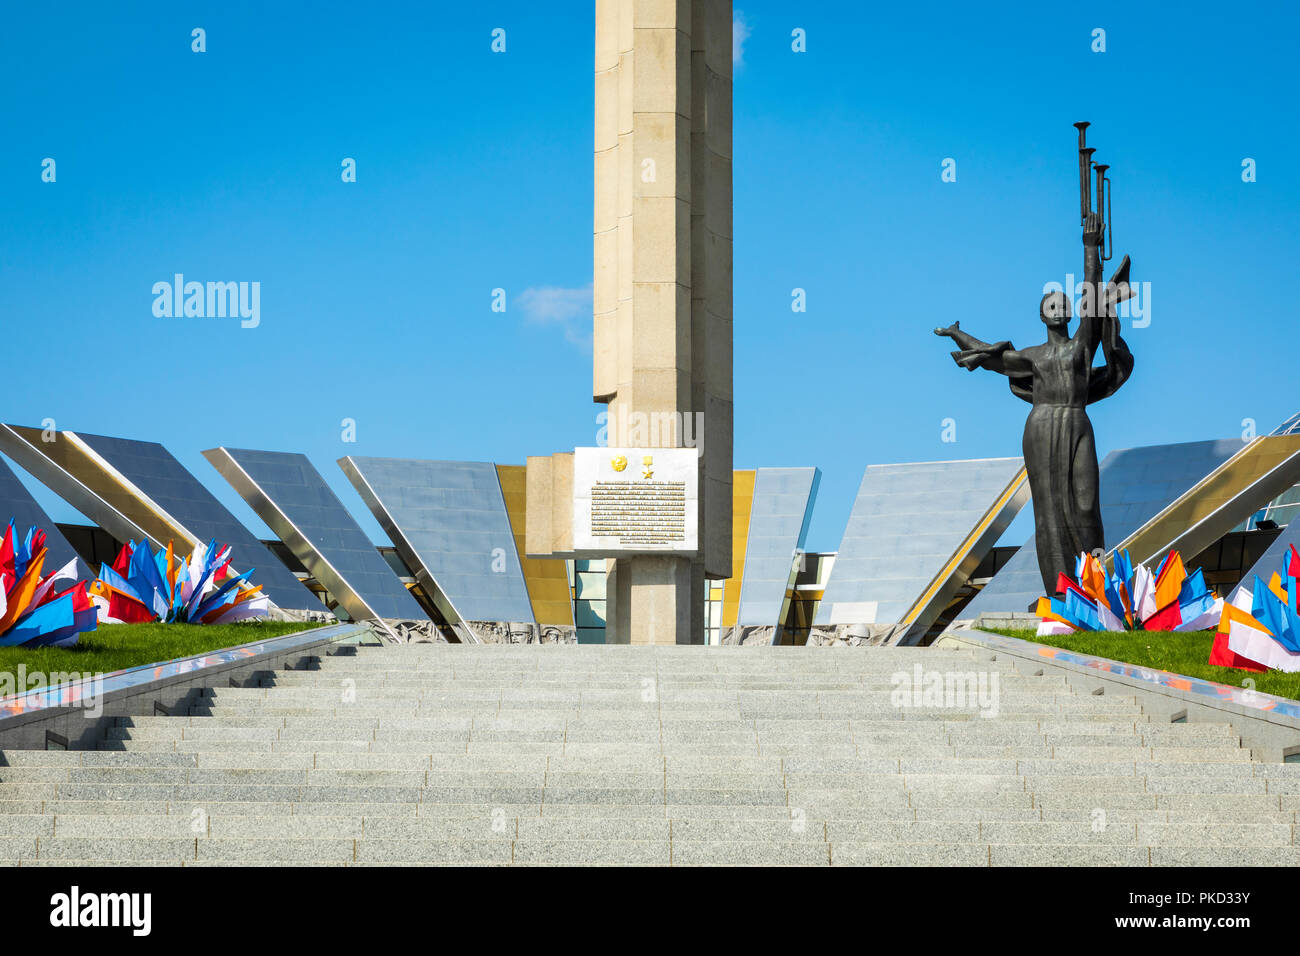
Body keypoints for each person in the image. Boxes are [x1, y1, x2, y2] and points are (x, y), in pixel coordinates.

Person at [934, 211, 1133, 595]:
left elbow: (1093, 299)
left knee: (1087, 503)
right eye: (1052, 305)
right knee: (1049, 509)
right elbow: (992, 359)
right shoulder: (1033, 356)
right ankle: (1060, 589)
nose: (1060, 308)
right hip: (1041, 426)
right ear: (1043, 316)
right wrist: (958, 333)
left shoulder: (1080, 347)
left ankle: (1092, 586)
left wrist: (1090, 250)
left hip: (1077, 422)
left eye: (1064, 304)